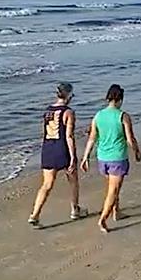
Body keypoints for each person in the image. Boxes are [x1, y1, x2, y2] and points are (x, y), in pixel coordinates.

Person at [81, 84, 141, 233]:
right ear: (120, 99)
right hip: (117, 158)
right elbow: (130, 138)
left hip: (103, 158)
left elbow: (92, 138)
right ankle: (103, 219)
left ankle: (117, 211)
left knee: (113, 186)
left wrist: (85, 157)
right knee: (113, 190)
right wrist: (136, 151)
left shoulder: (98, 115)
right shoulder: (123, 116)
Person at [28, 83, 86, 228]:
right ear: (69, 95)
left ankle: (35, 214)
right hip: (62, 148)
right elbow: (69, 136)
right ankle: (75, 209)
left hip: (48, 148)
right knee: (73, 180)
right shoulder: (68, 112)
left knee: (47, 184)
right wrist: (73, 156)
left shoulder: (48, 111)